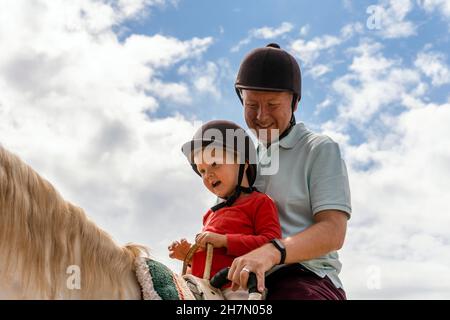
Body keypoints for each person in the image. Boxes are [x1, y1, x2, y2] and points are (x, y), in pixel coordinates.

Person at [226, 43, 352, 300]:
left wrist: (272, 252)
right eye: (251, 105)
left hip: (305, 279)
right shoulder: (242, 162)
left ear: (294, 103)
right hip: (242, 282)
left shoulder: (319, 148)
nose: (261, 116)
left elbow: (333, 230)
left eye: (272, 104)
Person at [169, 120, 282, 300]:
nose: (208, 175)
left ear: (244, 164)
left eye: (215, 163)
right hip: (203, 288)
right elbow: (211, 259)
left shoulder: (260, 202)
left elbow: (271, 244)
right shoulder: (210, 215)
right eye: (202, 170)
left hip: (236, 288)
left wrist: (225, 241)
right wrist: (189, 257)